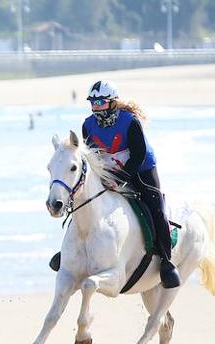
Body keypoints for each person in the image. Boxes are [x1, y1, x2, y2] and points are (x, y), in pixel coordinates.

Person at [67, 80, 180, 288]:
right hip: (107, 169)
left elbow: (138, 155)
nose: (95, 106)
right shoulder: (87, 125)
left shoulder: (130, 121)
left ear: (111, 102)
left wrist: (120, 179)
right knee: (82, 204)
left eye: (100, 101)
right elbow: (93, 157)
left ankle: (166, 262)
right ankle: (69, 253)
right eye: (92, 102)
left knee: (156, 207)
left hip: (140, 169)